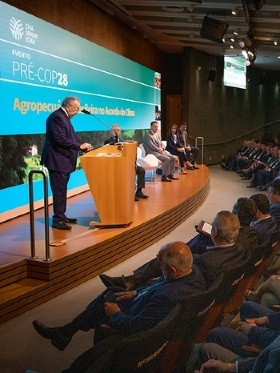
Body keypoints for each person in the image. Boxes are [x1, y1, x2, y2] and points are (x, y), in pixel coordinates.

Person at [32, 242, 206, 351]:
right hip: (145, 302)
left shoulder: (167, 296)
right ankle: (66, 332)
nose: (160, 272)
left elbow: (135, 326)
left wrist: (115, 314)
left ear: (173, 271)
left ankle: (70, 337)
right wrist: (136, 292)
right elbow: (162, 283)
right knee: (113, 291)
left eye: (162, 269)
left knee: (106, 303)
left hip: (136, 319)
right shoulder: (193, 273)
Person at [98, 211, 248, 289]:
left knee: (171, 255)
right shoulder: (241, 249)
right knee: (198, 241)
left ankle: (132, 282)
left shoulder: (206, 262)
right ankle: (131, 280)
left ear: (214, 233)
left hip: (186, 286)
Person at [40, 96, 92, 230]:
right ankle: (57, 220)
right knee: (59, 191)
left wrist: (83, 144)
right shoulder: (57, 117)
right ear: (68, 106)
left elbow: (72, 137)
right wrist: (79, 147)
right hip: (57, 161)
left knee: (62, 191)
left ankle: (61, 215)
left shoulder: (65, 117)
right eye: (76, 109)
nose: (77, 112)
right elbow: (60, 139)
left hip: (63, 161)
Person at [104, 124, 148, 201]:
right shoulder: (108, 141)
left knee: (141, 170)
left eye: (118, 130)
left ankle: (139, 191)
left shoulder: (121, 140)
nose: (116, 131)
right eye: (114, 130)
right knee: (128, 173)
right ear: (110, 131)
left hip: (127, 163)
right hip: (117, 165)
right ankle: (129, 195)